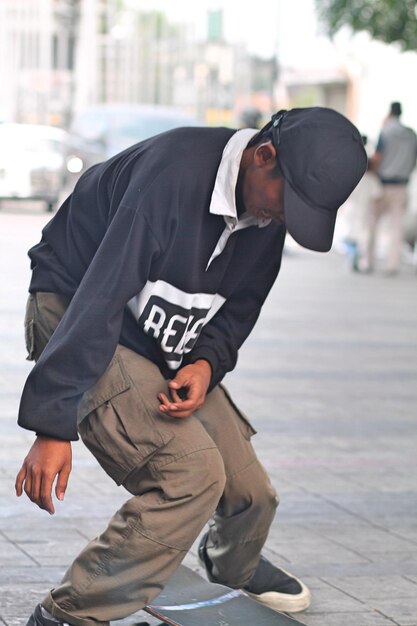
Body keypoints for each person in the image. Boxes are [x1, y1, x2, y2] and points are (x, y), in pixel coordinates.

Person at [16, 107, 367, 626]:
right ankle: (70, 613)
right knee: (191, 476)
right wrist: (52, 424)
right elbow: (101, 295)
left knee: (251, 493)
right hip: (77, 311)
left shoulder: (266, 214)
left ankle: (232, 565)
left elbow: (241, 307)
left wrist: (206, 363)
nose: (285, 219)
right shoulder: (171, 177)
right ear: (262, 156)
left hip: (162, 339)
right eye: (288, 202)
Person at [362, 101, 417, 274]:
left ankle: (368, 262)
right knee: (397, 227)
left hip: (383, 185)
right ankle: (392, 264)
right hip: (401, 185)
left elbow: (378, 158)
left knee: (371, 224)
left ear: (390, 113)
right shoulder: (411, 135)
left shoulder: (386, 132)